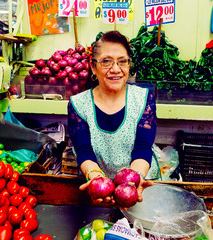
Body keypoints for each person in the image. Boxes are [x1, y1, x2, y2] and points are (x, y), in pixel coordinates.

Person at [67, 30, 160, 206]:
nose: (116, 69)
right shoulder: (78, 104)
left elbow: (143, 147)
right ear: (93, 67)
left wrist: (134, 180)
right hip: (99, 188)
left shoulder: (143, 99)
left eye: (122, 62)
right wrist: (96, 179)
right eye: (106, 62)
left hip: (139, 185)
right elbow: (84, 150)